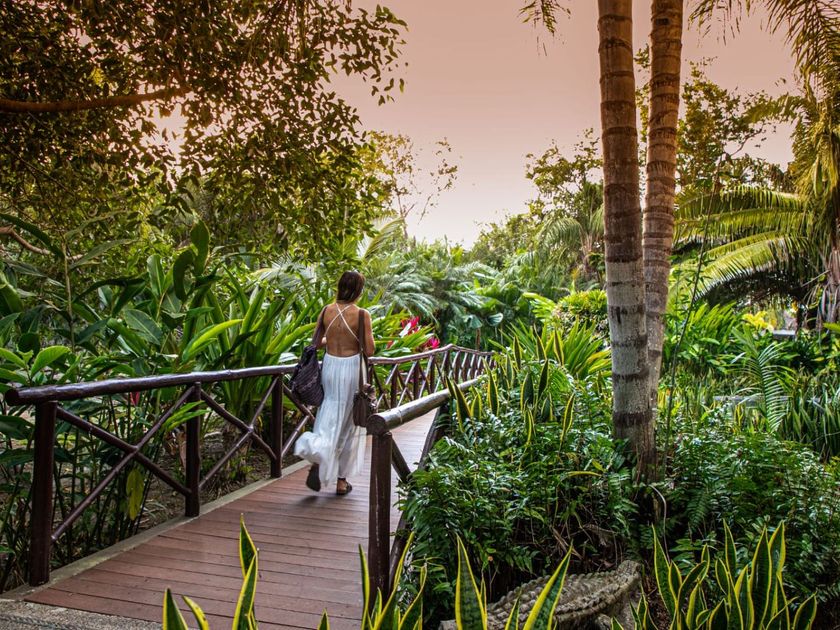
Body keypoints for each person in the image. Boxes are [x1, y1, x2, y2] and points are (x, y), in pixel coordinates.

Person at [294, 271, 375, 495]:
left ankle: (318, 455)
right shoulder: (362, 314)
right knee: (350, 421)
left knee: (329, 411)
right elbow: (369, 350)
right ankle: (341, 481)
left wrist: (335, 338)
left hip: (330, 367)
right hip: (351, 369)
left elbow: (316, 343)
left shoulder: (326, 311)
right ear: (358, 290)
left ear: (340, 287)